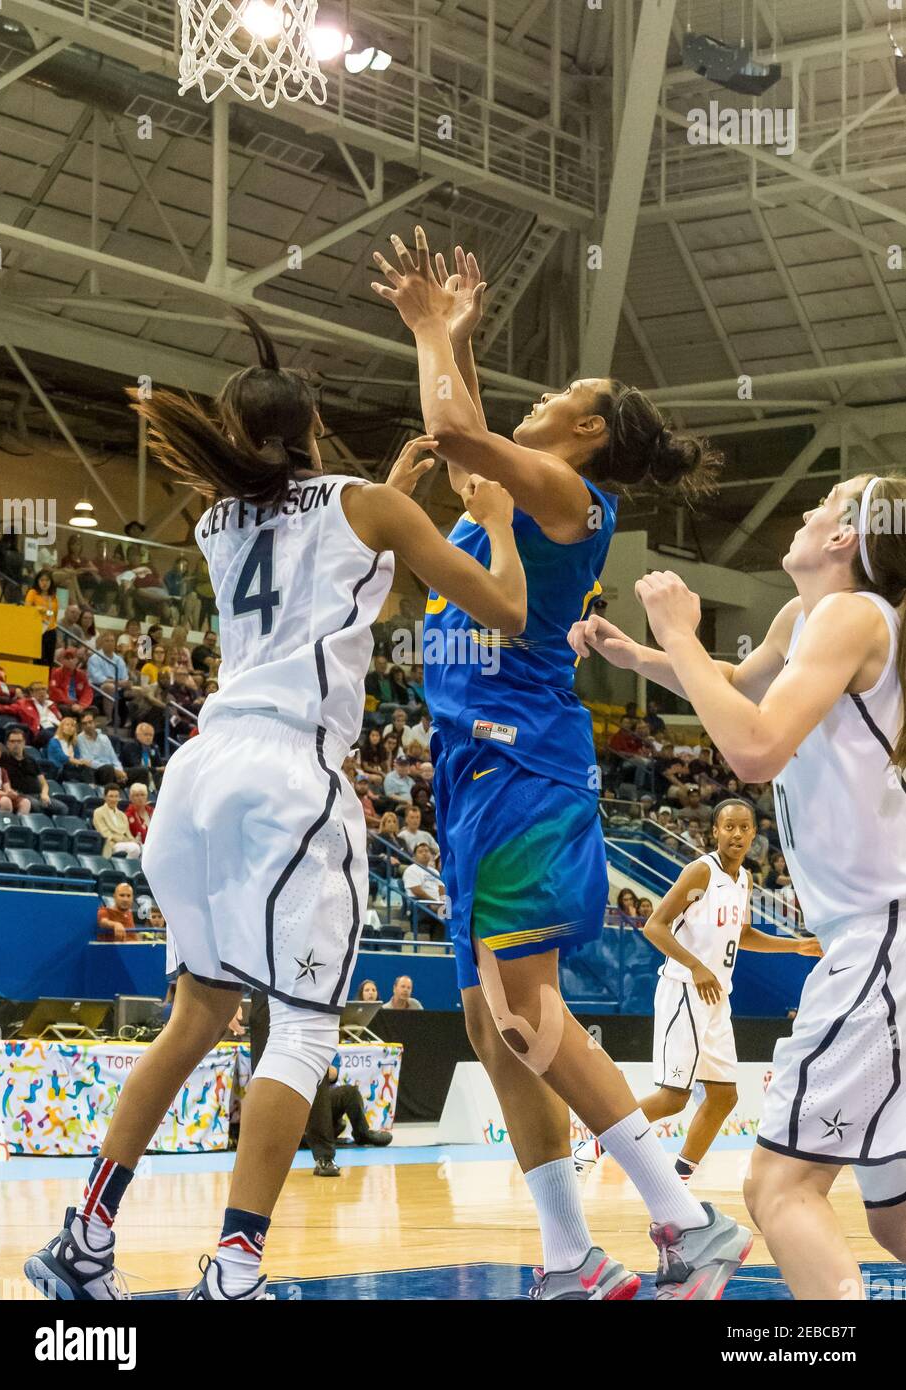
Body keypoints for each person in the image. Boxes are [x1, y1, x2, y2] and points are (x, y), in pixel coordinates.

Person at [24, 306, 525, 1303]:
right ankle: (237, 1265)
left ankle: (84, 1235)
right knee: (300, 1030)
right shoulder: (366, 508)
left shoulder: (219, 519)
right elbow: (502, 607)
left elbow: (315, 552)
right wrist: (498, 524)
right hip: (290, 777)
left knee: (196, 1017)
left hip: (201, 775)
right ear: (315, 422)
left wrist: (390, 492)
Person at [369, 226, 749, 1301]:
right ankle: (569, 1254)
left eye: (555, 399)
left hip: (518, 760)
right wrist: (459, 340)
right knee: (494, 1024)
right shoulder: (525, 488)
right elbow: (469, 433)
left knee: (527, 1009)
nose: (529, 406)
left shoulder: (569, 499)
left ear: (582, 430)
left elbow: (454, 429)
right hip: (468, 765)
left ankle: (684, 1221)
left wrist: (431, 332)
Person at [571, 472, 906, 1301]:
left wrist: (677, 626)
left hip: (882, 941)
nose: (803, 510)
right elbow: (736, 686)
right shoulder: (808, 620)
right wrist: (642, 655)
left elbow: (752, 750)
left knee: (774, 1189)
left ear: (844, 538)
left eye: (822, 502)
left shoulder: (852, 615)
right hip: (875, 940)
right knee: (897, 1219)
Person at [637, 798, 820, 1184]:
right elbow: (654, 926)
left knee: (724, 1097)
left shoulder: (744, 879)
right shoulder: (700, 872)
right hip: (684, 988)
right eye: (729, 827)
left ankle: (678, 1183)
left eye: (744, 828)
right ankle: (590, 1147)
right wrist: (697, 967)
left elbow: (744, 934)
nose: (736, 834)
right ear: (715, 831)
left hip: (717, 996)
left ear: (754, 834)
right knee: (673, 1097)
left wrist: (796, 945)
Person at [305, 1055, 393, 1178]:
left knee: (350, 1093)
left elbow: (333, 1075)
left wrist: (316, 1065)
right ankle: (322, 1155)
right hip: (298, 1106)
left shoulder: (327, 1044)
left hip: (321, 1103)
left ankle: (363, 1134)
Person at [0, 728, 66, 815]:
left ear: (24, 743)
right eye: (12, 741)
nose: (16, 744)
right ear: (7, 744)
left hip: (38, 795)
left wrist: (44, 794)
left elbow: (44, 783)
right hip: (20, 795)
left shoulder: (31, 760)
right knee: (36, 805)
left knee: (62, 808)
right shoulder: (3, 759)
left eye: (19, 741)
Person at [76, 708, 127, 786]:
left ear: (95, 722)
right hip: (96, 771)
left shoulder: (104, 738)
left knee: (141, 771)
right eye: (84, 723)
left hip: (111, 770)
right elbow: (88, 761)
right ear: (81, 726)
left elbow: (114, 759)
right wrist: (114, 770)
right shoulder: (80, 739)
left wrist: (120, 771)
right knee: (108, 768)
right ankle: (110, 795)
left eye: (90, 722)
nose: (88, 725)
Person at [93, 784, 142, 859]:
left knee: (143, 848)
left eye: (116, 796)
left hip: (124, 843)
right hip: (110, 844)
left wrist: (135, 840)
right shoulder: (98, 812)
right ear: (105, 797)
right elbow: (105, 833)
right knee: (134, 848)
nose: (114, 799)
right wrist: (124, 840)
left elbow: (128, 834)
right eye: (111, 796)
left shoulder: (122, 815)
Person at [45, 714, 93, 783]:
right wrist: (78, 762)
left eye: (72, 726)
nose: (70, 727)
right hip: (60, 769)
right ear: (62, 727)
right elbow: (62, 757)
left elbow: (77, 757)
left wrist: (82, 761)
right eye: (67, 725)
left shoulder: (73, 744)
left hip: (72, 769)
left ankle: (91, 786)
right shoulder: (54, 741)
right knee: (69, 765)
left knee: (86, 766)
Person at [25, 569, 59, 666]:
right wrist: (37, 608)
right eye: (42, 580)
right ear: (38, 581)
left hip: (50, 630)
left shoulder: (53, 597)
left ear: (51, 582)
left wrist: (46, 611)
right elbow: (27, 608)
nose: (44, 583)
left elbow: (53, 614)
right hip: (37, 630)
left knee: (49, 661)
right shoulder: (33, 592)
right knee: (39, 659)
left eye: (47, 580)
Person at [0, 740, 29, 812]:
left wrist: (12, 793)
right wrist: (6, 794)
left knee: (25, 802)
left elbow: (7, 788)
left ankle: (17, 823)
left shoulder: (2, 770)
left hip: (2, 795)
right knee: (6, 801)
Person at [49, 647, 92, 715]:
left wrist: (82, 705)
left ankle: (80, 715)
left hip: (77, 703)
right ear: (62, 661)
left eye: (73, 658)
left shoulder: (82, 675)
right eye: (67, 658)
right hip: (63, 703)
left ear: (77, 660)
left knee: (94, 709)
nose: (70, 661)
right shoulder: (56, 672)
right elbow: (55, 690)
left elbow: (87, 691)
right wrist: (70, 703)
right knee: (64, 709)